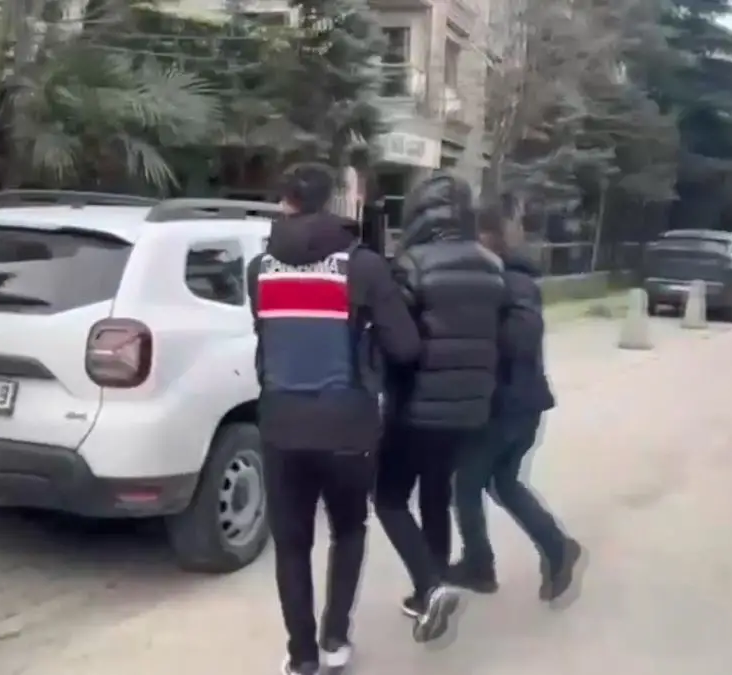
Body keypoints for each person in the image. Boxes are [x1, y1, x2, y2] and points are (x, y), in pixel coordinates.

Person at [247, 162, 421, 675]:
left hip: (281, 423)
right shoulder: (363, 266)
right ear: (335, 202)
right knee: (347, 530)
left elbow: (266, 338)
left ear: (284, 202)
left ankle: (302, 656)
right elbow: (405, 346)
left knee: (291, 543)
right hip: (348, 426)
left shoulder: (259, 269)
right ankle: (336, 638)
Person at [373, 172, 507, 643]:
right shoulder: (492, 265)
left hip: (416, 407)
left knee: (389, 498)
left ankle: (430, 586)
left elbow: (398, 342)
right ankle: (429, 588)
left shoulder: (411, 264)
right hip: (470, 409)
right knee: (435, 494)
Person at [446, 204, 583, 602]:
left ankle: (481, 566)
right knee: (503, 483)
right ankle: (556, 547)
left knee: (467, 484)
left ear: (487, 238)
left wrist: (475, 322)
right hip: (511, 403)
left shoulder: (513, 282)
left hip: (508, 405)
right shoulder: (500, 280)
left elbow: (521, 338)